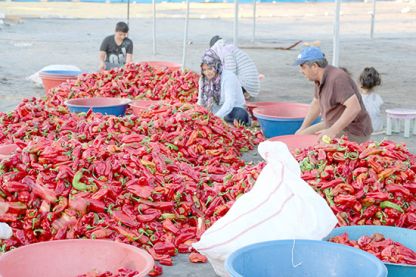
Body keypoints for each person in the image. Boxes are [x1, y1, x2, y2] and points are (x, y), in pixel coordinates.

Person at [294, 46, 373, 143]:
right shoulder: (319, 78)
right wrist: (303, 127)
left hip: (354, 130)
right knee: (299, 137)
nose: (301, 71)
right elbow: (316, 103)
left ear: (314, 66)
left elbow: (354, 108)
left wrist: (332, 131)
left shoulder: (337, 79)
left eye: (303, 67)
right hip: (332, 123)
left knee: (316, 146)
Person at [197, 49, 250, 126]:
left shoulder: (228, 77)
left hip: (233, 109)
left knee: (240, 114)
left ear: (216, 66)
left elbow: (230, 102)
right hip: (216, 109)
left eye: (210, 69)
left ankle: (224, 121)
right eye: (204, 70)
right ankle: (221, 120)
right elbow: (200, 101)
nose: (207, 72)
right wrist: (196, 112)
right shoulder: (203, 79)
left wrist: (215, 118)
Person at [358, 67, 383, 133]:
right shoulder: (378, 98)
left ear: (360, 82)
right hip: (376, 129)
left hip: (361, 131)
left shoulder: (357, 98)